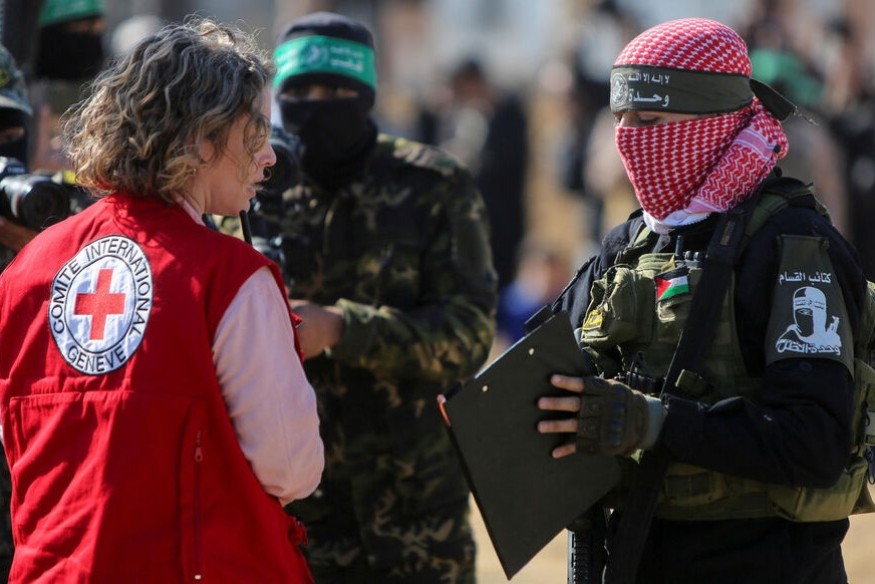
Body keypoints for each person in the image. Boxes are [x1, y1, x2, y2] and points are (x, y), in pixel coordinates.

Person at [536, 18, 869, 583]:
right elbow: (548, 374)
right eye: (620, 120)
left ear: (711, 122)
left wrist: (651, 422)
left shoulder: (790, 243)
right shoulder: (630, 244)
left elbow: (813, 443)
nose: (628, 139)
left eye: (650, 121)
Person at [0, 19, 323, 582]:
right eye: (256, 132)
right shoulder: (230, 278)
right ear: (200, 138)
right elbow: (292, 469)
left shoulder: (25, 269)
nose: (269, 156)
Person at [245, 11, 497, 583]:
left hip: (416, 524)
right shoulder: (251, 190)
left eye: (335, 91)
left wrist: (341, 328)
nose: (317, 105)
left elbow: (469, 336)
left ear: (365, 93)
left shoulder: (433, 185)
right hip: (293, 522)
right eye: (301, 92)